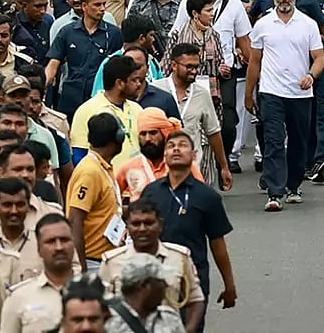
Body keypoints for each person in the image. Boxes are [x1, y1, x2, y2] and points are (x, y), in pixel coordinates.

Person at [245, 0, 324, 211]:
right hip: (271, 92)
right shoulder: (263, 25)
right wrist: (249, 94)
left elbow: (319, 58)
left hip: (300, 95)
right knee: (273, 141)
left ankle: (293, 186)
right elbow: (254, 62)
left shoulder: (308, 24)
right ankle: (275, 192)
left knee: (299, 142)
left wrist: (311, 75)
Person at [140, 131, 237, 321]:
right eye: (170, 146)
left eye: (183, 145)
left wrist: (229, 285)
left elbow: (218, 244)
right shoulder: (150, 193)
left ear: (193, 155)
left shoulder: (208, 197)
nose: (176, 149)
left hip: (193, 279)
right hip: (155, 277)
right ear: (164, 156)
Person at [99, 198, 204, 331]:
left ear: (160, 224)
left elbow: (195, 299)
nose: (142, 229)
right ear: (127, 227)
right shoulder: (112, 262)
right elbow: (99, 306)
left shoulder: (179, 257)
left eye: (148, 223)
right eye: (136, 224)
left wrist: (188, 330)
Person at [154, 43, 231, 189]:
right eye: (189, 67)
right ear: (174, 65)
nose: (194, 71)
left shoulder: (202, 94)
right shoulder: (156, 90)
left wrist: (224, 167)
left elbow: (213, 132)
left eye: (196, 67)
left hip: (193, 169)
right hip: (161, 170)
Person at [0, 213, 79, 333]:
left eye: (64, 240)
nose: (59, 247)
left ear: (73, 244)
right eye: (51, 241)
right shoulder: (18, 297)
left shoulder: (97, 291)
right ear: (38, 249)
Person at [66, 113, 126, 269]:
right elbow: (75, 219)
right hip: (92, 262)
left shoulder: (101, 167)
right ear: (117, 139)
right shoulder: (90, 171)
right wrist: (81, 266)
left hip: (105, 259)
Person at [106, 253, 185, 333]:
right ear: (144, 285)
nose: (166, 285)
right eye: (161, 281)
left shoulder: (169, 319)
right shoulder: (107, 320)